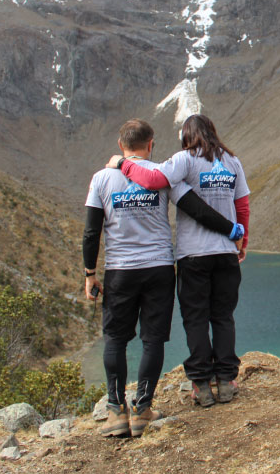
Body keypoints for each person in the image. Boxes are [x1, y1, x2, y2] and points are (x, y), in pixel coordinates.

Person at [84, 118, 245, 437]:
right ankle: (143, 409)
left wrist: (90, 273)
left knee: (116, 338)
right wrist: (231, 231)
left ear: (121, 145)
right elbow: (195, 207)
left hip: (119, 269)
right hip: (159, 268)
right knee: (153, 339)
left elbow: (91, 231)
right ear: (151, 144)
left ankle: (117, 412)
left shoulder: (101, 179)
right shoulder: (164, 177)